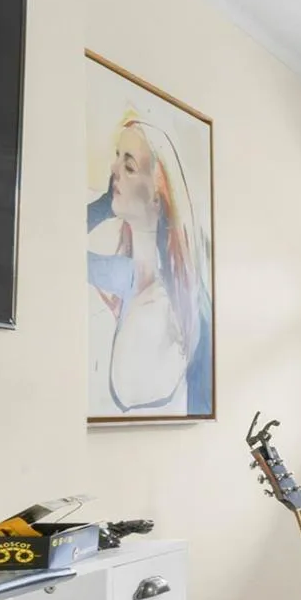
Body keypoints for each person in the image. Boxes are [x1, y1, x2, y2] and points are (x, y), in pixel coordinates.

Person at [87, 113, 211, 414]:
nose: (114, 170)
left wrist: (106, 204)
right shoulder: (127, 275)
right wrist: (106, 203)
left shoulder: (161, 308)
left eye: (129, 166)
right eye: (117, 158)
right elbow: (56, 248)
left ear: (158, 197)